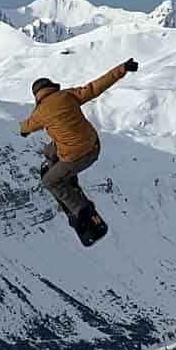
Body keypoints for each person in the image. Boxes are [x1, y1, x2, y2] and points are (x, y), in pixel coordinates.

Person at [18, 58, 138, 232]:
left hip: (79, 157)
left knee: (49, 181)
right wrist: (122, 68)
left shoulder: (39, 113)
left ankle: (81, 210)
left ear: (37, 96)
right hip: (94, 145)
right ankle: (66, 174)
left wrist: (24, 130)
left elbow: (26, 127)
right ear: (52, 87)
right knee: (49, 150)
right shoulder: (67, 95)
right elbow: (95, 87)